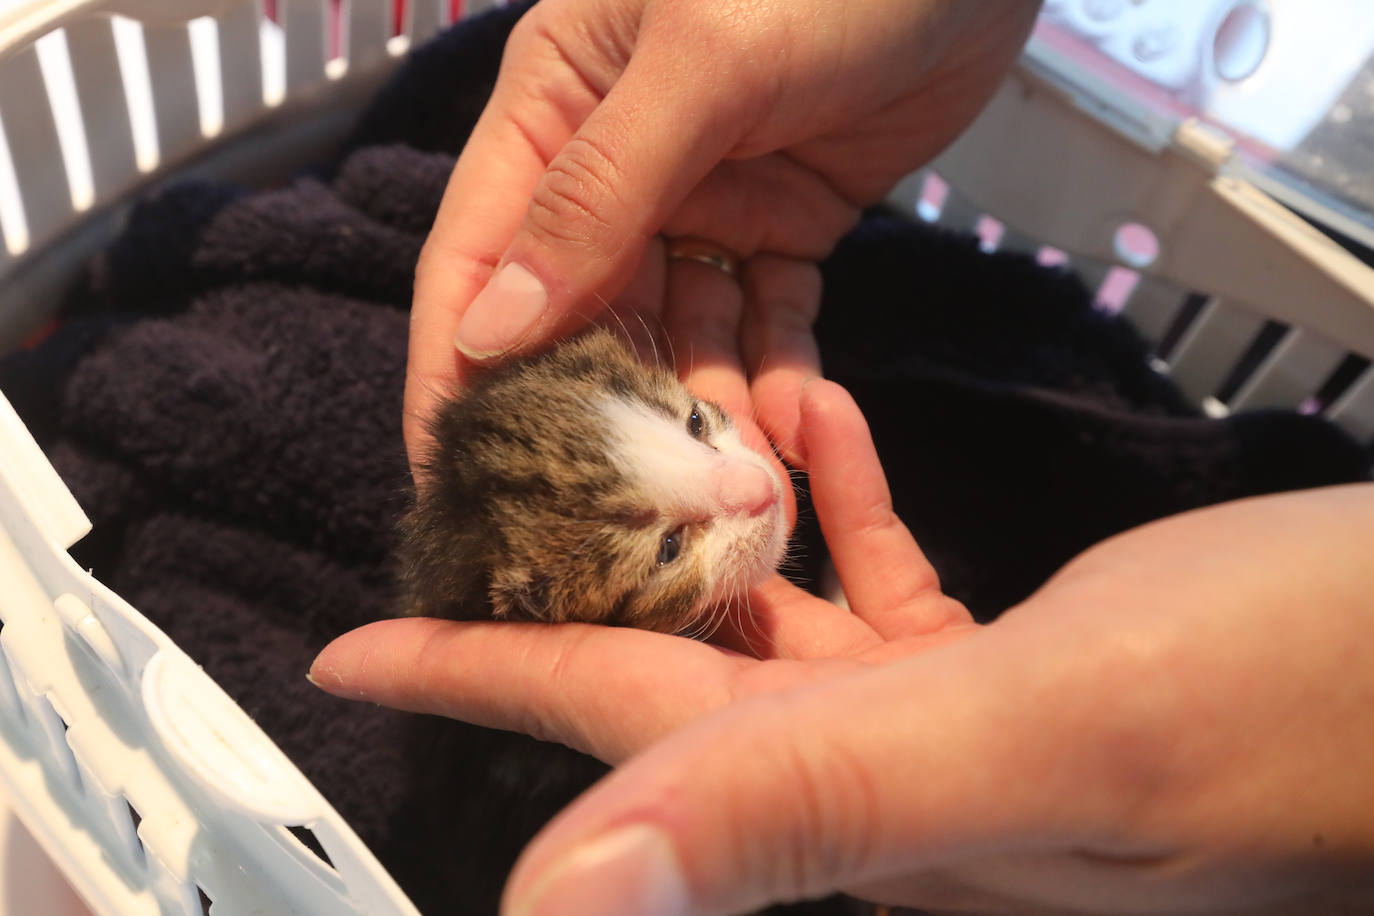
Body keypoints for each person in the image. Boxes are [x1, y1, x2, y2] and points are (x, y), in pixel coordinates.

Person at [310, 1, 1374, 913]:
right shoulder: (531, 617)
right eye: (674, 540)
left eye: (692, 423)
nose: (752, 481)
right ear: (545, 602)